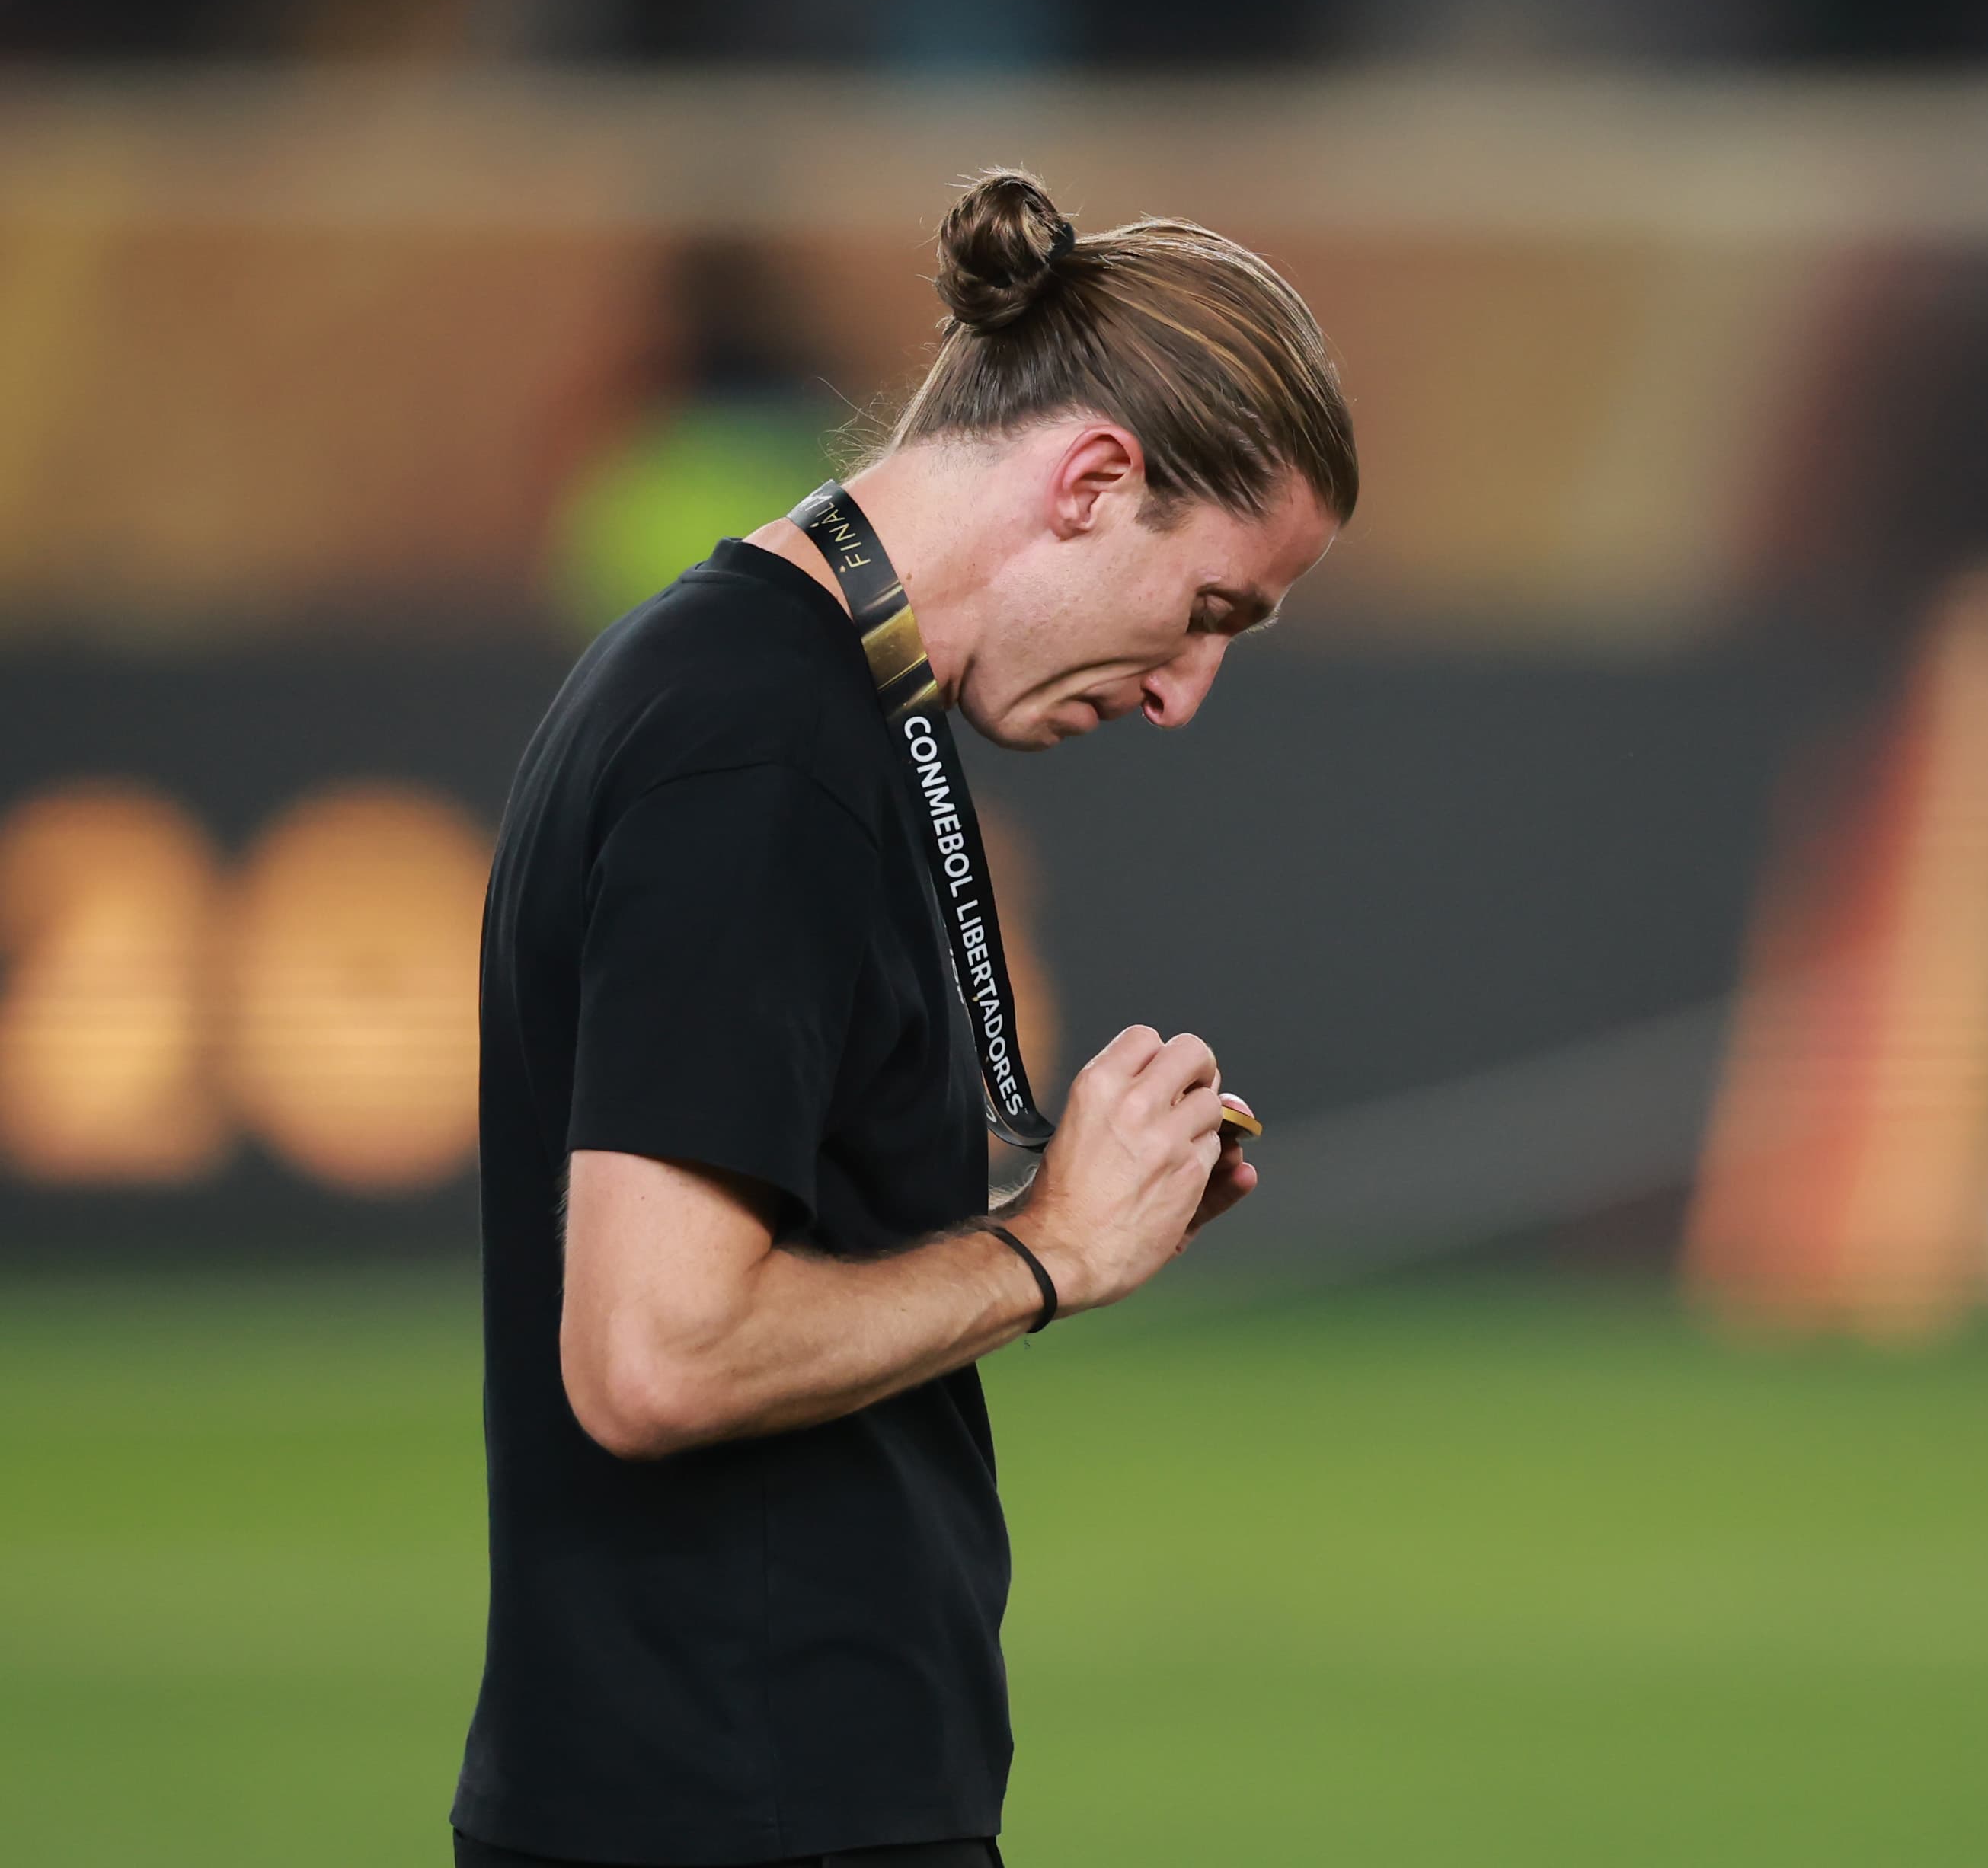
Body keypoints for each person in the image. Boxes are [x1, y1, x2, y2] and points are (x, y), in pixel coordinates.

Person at [453, 170, 1358, 1867]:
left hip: (728, 1799)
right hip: (745, 1814)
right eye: (1208, 610)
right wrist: (1047, 1253)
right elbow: (655, 1356)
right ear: (1092, 483)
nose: (1184, 692)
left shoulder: (780, 696)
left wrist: (1047, 1213)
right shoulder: (757, 743)